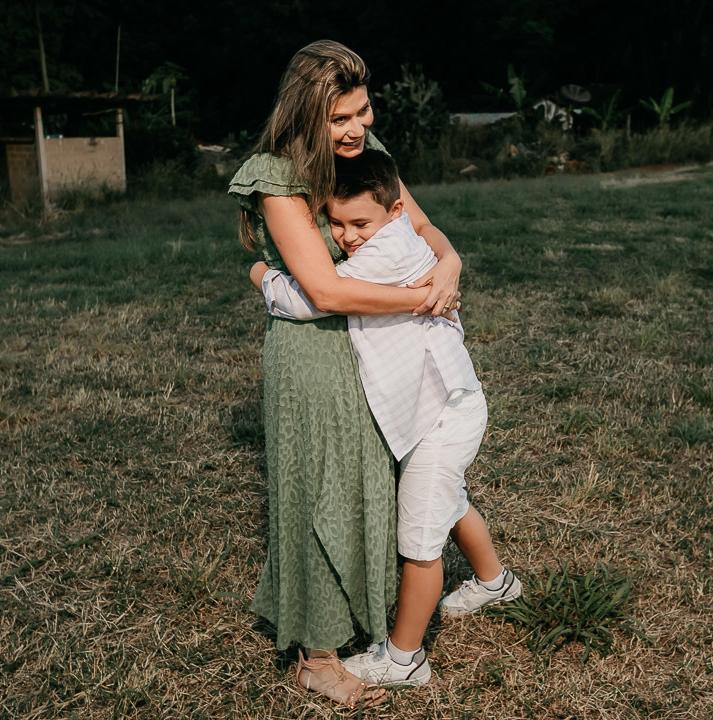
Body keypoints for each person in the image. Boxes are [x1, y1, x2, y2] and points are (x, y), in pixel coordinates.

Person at [228, 40, 462, 708]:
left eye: (363, 111)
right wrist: (423, 296)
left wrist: (449, 265)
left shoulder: (366, 154)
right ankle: (318, 657)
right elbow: (325, 293)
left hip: (377, 348)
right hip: (313, 358)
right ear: (306, 117)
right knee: (316, 493)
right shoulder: (277, 176)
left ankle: (361, 619)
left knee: (368, 482)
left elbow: (419, 224)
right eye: (341, 120)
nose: (358, 128)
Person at [250, 150, 521, 688]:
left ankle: (403, 659)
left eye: (360, 223)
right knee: (449, 499)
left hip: (439, 413)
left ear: (395, 212)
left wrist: (261, 274)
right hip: (446, 406)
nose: (348, 236)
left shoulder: (386, 250)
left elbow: (312, 298)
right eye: (337, 223)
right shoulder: (390, 237)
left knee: (419, 543)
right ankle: (495, 581)